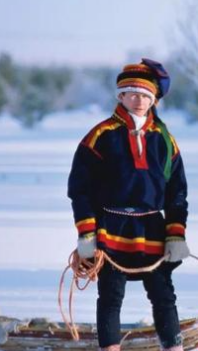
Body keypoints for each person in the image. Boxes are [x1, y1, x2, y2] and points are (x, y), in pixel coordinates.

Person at [67, 59, 190, 351]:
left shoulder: (165, 140)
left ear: (154, 100)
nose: (139, 100)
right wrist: (87, 235)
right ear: (120, 95)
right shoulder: (100, 136)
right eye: (132, 93)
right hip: (111, 227)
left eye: (146, 95)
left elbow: (178, 192)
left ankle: (173, 347)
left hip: (152, 228)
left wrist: (176, 234)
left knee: (163, 294)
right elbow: (79, 190)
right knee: (110, 296)